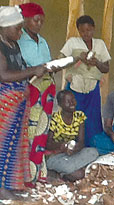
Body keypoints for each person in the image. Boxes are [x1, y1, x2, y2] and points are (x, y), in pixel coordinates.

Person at [0, 6, 47, 199]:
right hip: (5, 104)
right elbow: (3, 75)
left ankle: (10, 184)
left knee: (15, 145)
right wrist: (32, 71)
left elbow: (18, 68)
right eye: (17, 29)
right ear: (4, 28)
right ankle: (2, 187)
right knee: (3, 146)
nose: (20, 32)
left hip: (18, 102)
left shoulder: (13, 44)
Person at [18, 2, 56, 185]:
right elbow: (17, 69)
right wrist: (35, 70)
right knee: (28, 131)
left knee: (42, 131)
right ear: (25, 20)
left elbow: (46, 65)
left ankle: (38, 174)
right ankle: (26, 176)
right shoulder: (18, 41)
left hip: (46, 90)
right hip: (29, 91)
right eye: (36, 20)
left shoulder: (43, 41)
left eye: (42, 20)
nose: (39, 23)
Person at [60, 15, 111, 146]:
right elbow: (60, 61)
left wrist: (97, 62)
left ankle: (91, 148)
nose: (85, 33)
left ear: (93, 29)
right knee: (72, 119)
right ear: (78, 30)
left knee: (92, 121)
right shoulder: (72, 43)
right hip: (74, 89)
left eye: (88, 30)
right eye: (82, 31)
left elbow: (106, 68)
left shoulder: (100, 44)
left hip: (92, 89)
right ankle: (70, 148)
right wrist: (77, 57)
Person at [46, 90, 98, 182]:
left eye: (73, 99)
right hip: (57, 154)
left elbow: (81, 142)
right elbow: (48, 144)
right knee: (80, 174)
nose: (72, 103)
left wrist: (75, 148)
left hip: (73, 154)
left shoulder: (79, 116)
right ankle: (66, 171)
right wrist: (63, 146)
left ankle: (64, 172)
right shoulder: (55, 118)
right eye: (68, 101)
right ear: (60, 104)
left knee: (93, 152)